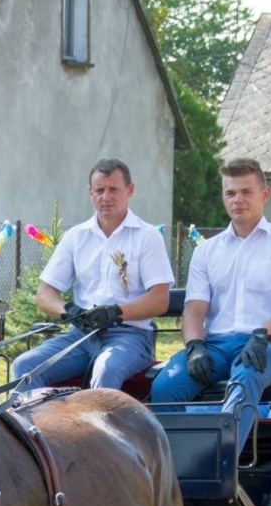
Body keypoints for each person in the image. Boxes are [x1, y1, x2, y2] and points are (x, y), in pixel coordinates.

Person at [149, 157, 271, 449]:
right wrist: (195, 346)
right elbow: (194, 309)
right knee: (164, 387)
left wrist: (263, 335)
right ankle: (176, 469)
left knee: (245, 378)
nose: (238, 200)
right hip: (216, 346)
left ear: (264, 194)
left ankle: (220, 469)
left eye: (246, 192)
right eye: (230, 193)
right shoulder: (207, 251)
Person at [11, 158, 173, 391]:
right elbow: (44, 293)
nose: (106, 197)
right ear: (90, 192)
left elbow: (160, 299)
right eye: (99, 190)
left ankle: (98, 428)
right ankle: (36, 427)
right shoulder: (76, 237)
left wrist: (115, 312)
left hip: (130, 336)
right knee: (25, 366)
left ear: (130, 190)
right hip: (81, 335)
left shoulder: (147, 237)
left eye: (113, 190)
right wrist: (70, 312)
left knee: (105, 369)